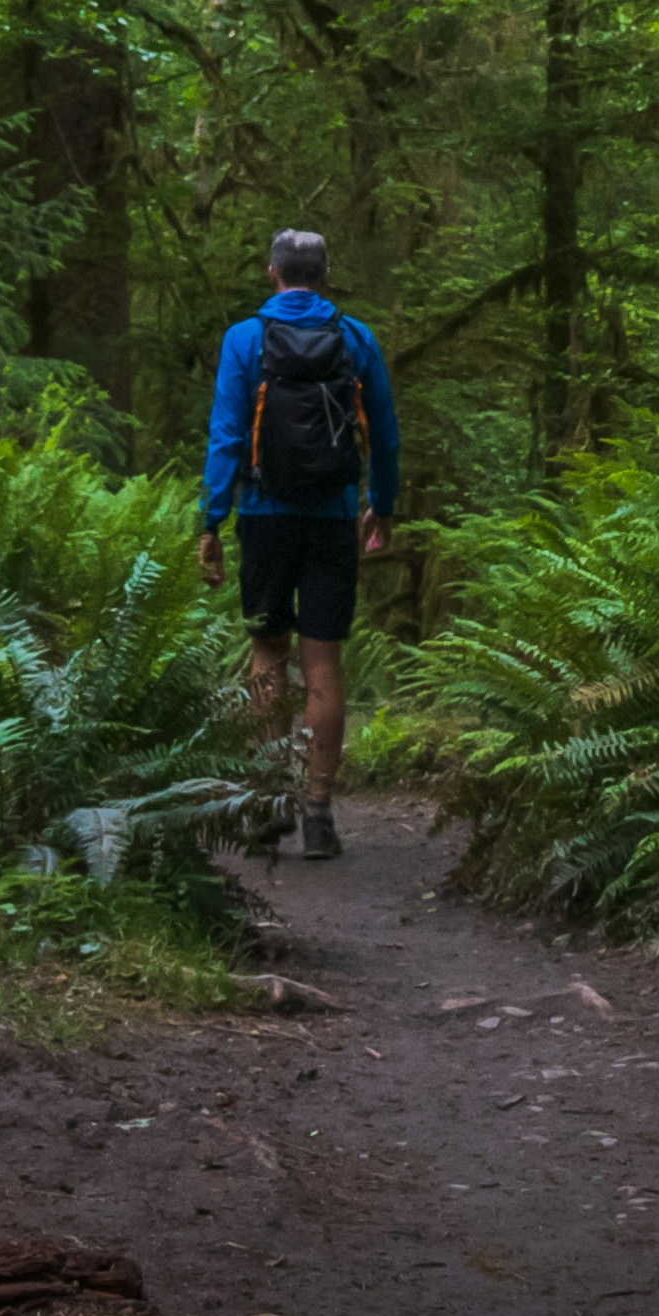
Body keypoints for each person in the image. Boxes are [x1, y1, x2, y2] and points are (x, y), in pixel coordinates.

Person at [198, 226, 397, 861]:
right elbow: (385, 436)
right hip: (334, 517)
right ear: (324, 275)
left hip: (263, 515)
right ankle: (318, 812)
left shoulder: (244, 339)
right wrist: (382, 507)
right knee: (323, 661)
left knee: (267, 654)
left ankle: (265, 802)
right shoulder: (356, 337)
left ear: (272, 273)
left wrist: (212, 519)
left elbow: (227, 435)